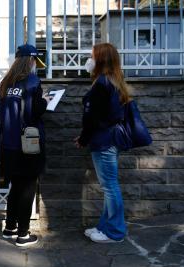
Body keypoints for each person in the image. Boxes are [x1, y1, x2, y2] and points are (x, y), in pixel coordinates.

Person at [75, 43, 130, 243]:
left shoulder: (102, 84)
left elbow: (92, 117)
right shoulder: (112, 81)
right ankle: (104, 227)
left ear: (101, 59)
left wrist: (83, 138)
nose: (89, 59)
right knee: (109, 186)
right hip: (109, 139)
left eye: (92, 56)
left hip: (104, 141)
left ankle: (114, 232)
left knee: (110, 187)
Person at [0, 44, 51, 247]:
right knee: (28, 186)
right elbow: (34, 112)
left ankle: (10, 228)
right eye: (34, 62)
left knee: (16, 186)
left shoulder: (6, 83)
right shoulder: (32, 82)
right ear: (30, 61)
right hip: (27, 145)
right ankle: (23, 234)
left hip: (8, 144)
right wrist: (45, 100)